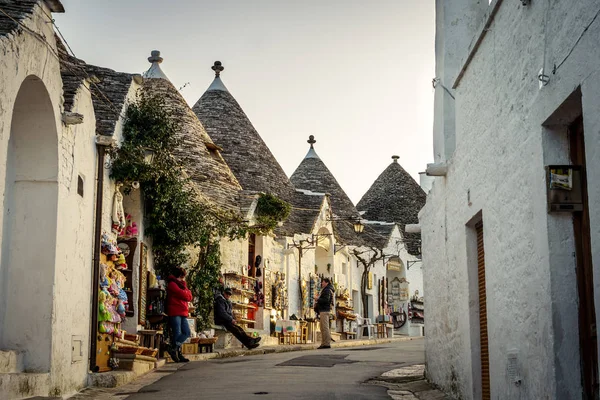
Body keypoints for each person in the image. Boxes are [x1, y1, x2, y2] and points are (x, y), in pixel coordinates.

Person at [166, 267, 193, 363]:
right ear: (177, 276)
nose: (183, 279)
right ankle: (178, 353)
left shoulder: (182, 285)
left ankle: (173, 348)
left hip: (183, 312)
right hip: (175, 311)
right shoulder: (172, 284)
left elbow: (189, 296)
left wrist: (185, 291)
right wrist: (185, 292)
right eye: (181, 277)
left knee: (186, 332)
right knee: (177, 333)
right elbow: (183, 294)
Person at [315, 277, 334, 349]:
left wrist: (318, 299)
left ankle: (326, 343)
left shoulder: (327, 290)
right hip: (323, 310)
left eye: (322, 282)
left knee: (325, 327)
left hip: (324, 310)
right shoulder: (327, 290)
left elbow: (326, 300)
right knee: (322, 327)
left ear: (326, 283)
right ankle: (324, 343)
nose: (321, 283)